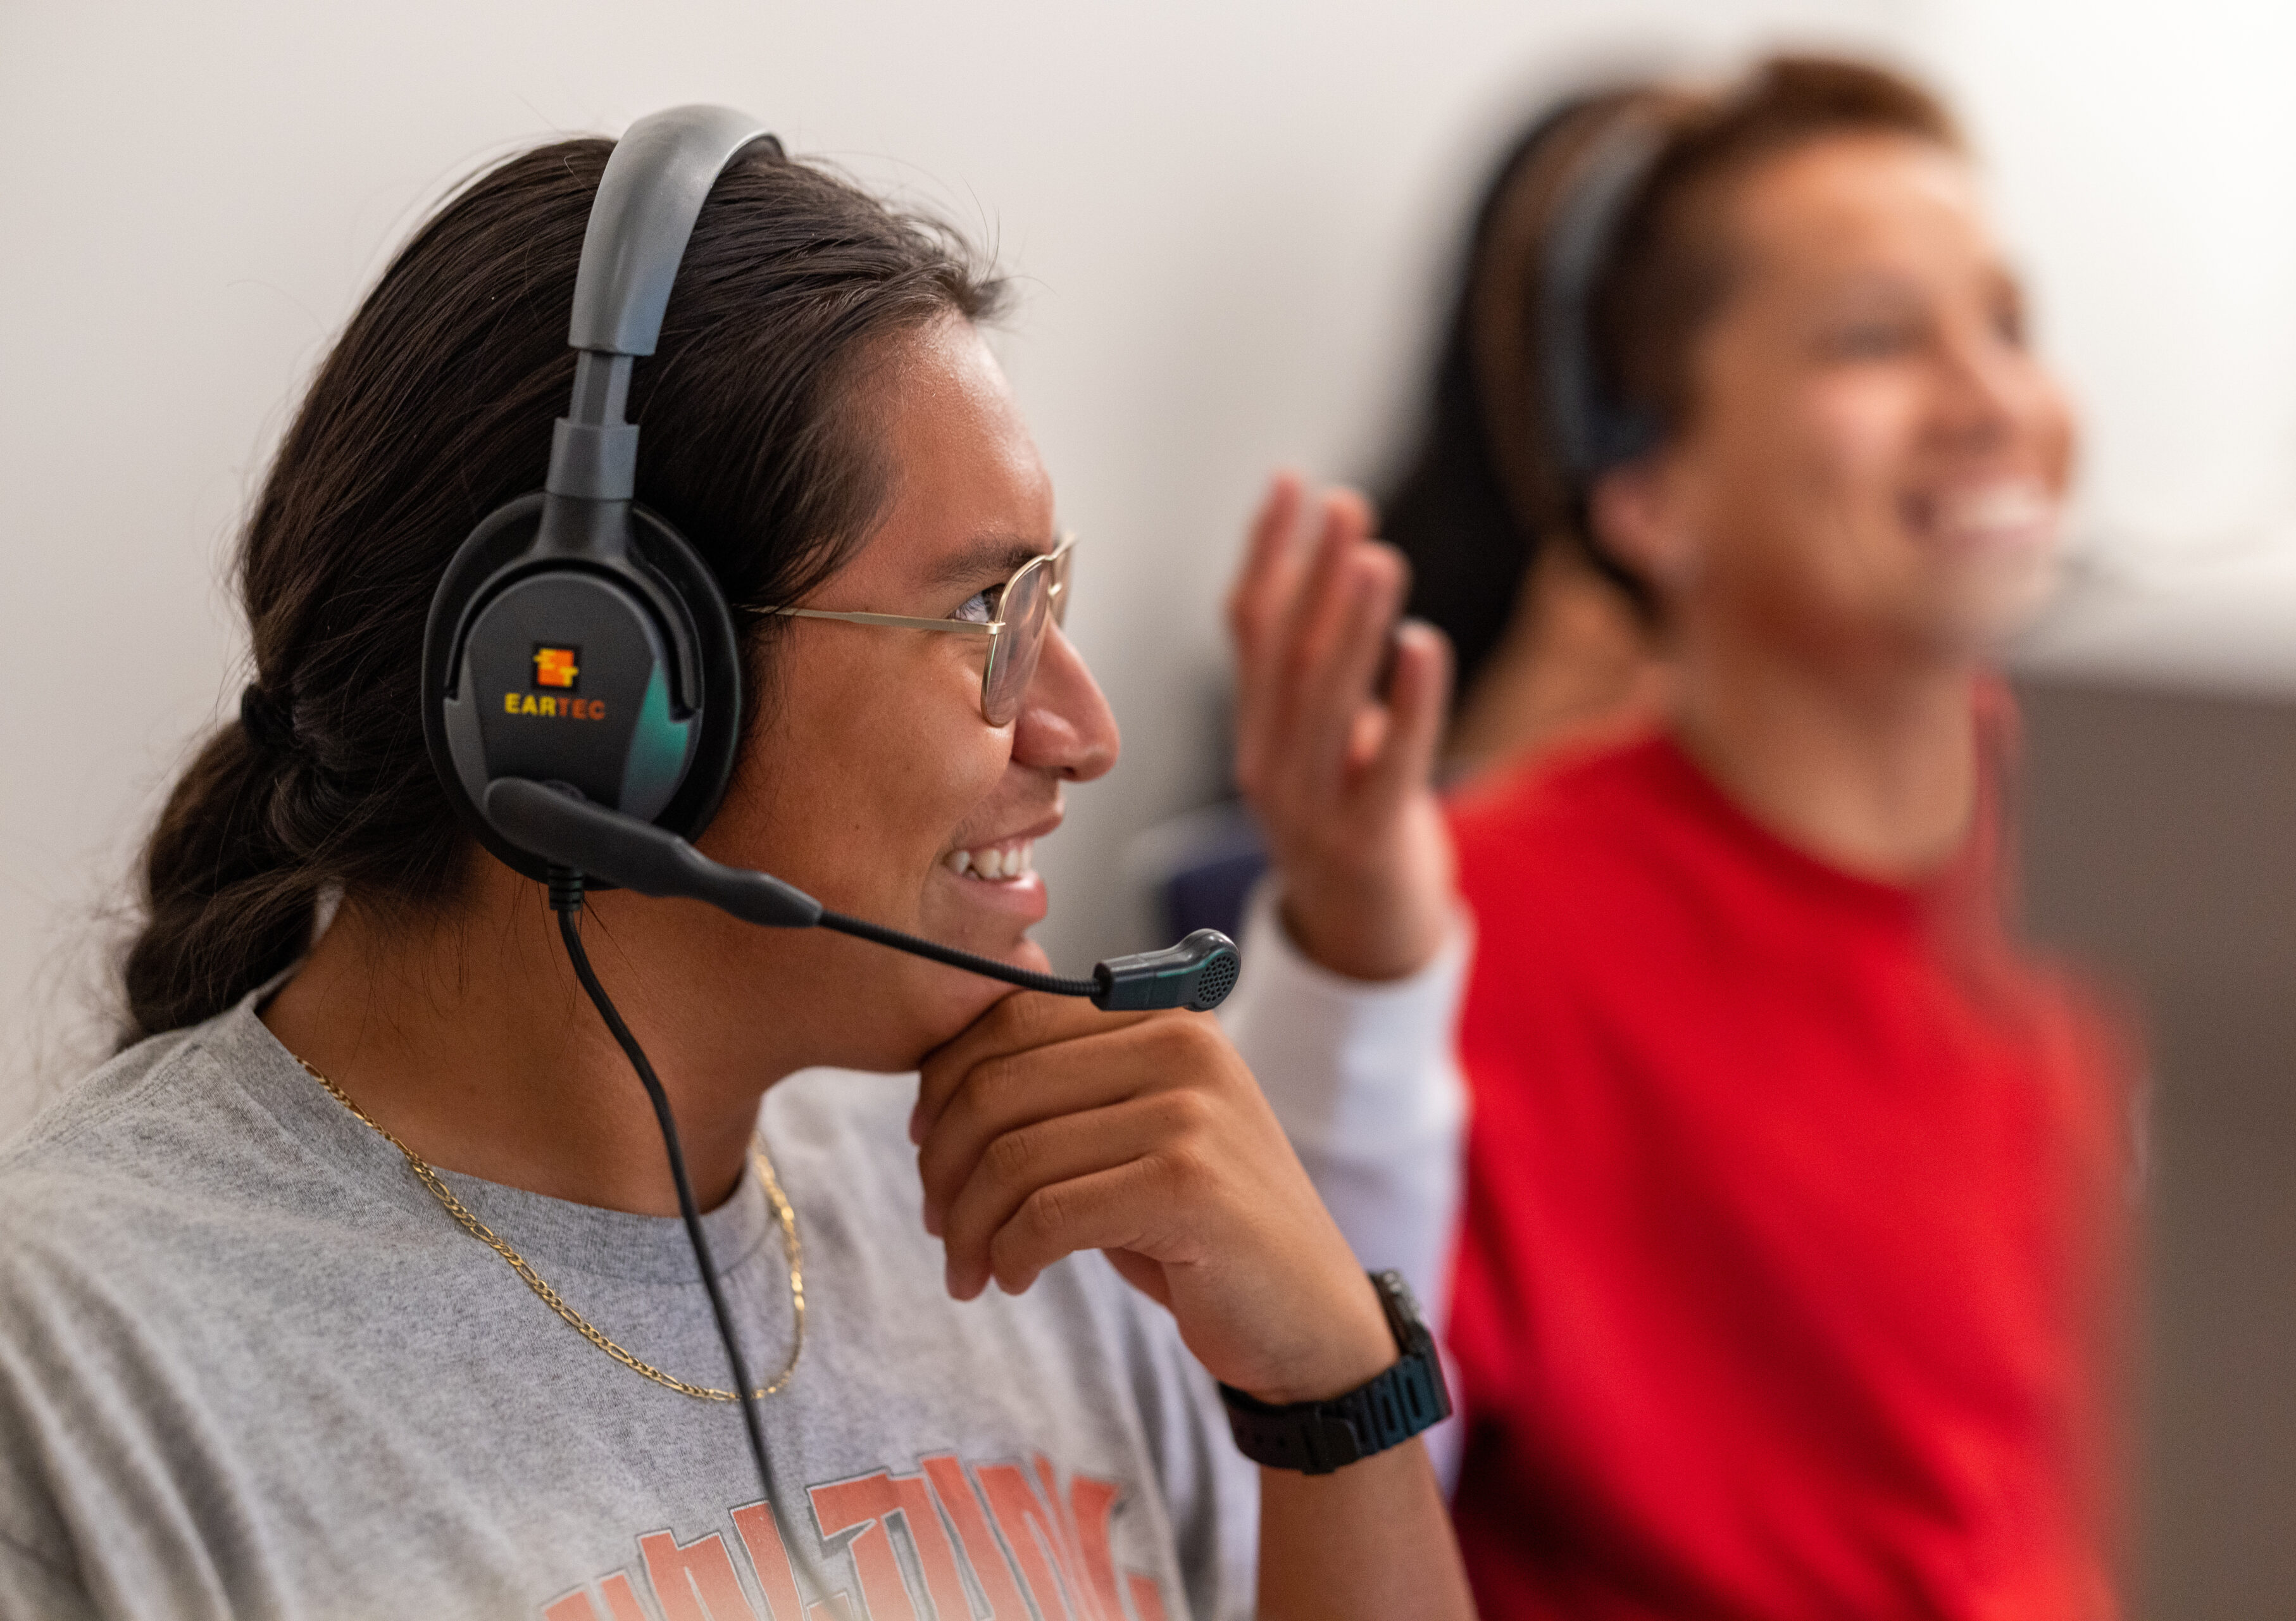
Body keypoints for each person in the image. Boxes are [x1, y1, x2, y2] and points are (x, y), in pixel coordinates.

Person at [0, 127, 1472, 1621]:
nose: (1084, 734)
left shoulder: (1042, 1203)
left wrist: (1336, 1394)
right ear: (596, 689)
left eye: (1050, 601)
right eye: (986, 613)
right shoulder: (75, 1361)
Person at [1222, 56, 2135, 1620]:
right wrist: (1358, 980)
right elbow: (1295, 1521)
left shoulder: (2189, 851)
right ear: (1645, 491)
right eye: (1874, 338)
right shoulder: (1471, 939)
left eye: (2007, 325)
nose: (1994, 403)